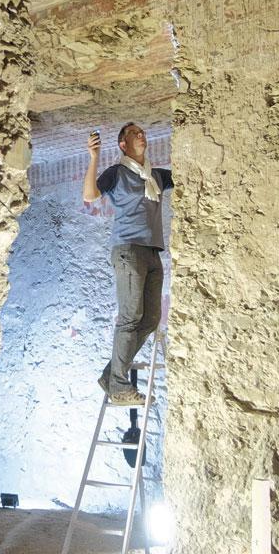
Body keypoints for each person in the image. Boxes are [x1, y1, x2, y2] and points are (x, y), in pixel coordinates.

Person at [83, 123, 174, 406]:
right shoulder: (117, 173)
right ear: (123, 145)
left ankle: (111, 375)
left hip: (153, 252)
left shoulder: (155, 176)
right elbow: (90, 195)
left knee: (150, 319)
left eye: (142, 132)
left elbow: (188, 174)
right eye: (134, 133)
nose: (141, 135)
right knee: (131, 317)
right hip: (128, 250)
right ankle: (120, 387)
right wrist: (93, 157)